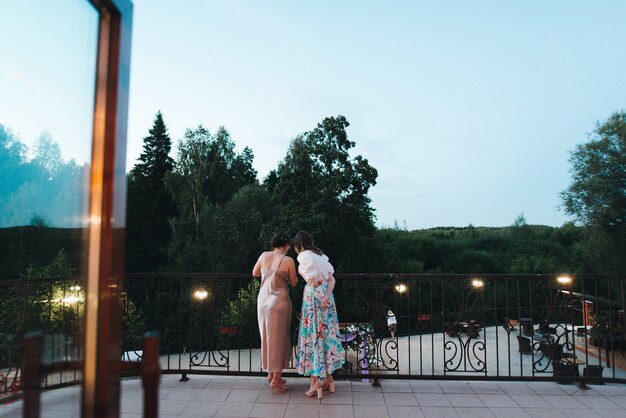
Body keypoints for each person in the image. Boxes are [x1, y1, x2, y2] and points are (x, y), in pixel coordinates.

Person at [293, 230, 344, 399]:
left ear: (299, 244)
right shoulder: (321, 256)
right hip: (327, 299)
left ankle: (315, 381)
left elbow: (312, 281)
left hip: (313, 297)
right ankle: (328, 377)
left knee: (313, 335)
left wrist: (301, 272)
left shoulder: (304, 256)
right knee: (326, 335)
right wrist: (327, 296)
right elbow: (332, 279)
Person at [253, 231, 297, 394]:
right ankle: (276, 379)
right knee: (279, 339)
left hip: (263, 301)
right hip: (279, 303)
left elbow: (255, 273)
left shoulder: (264, 255)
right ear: (286, 245)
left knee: (266, 337)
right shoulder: (288, 260)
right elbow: (293, 282)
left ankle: (271, 374)